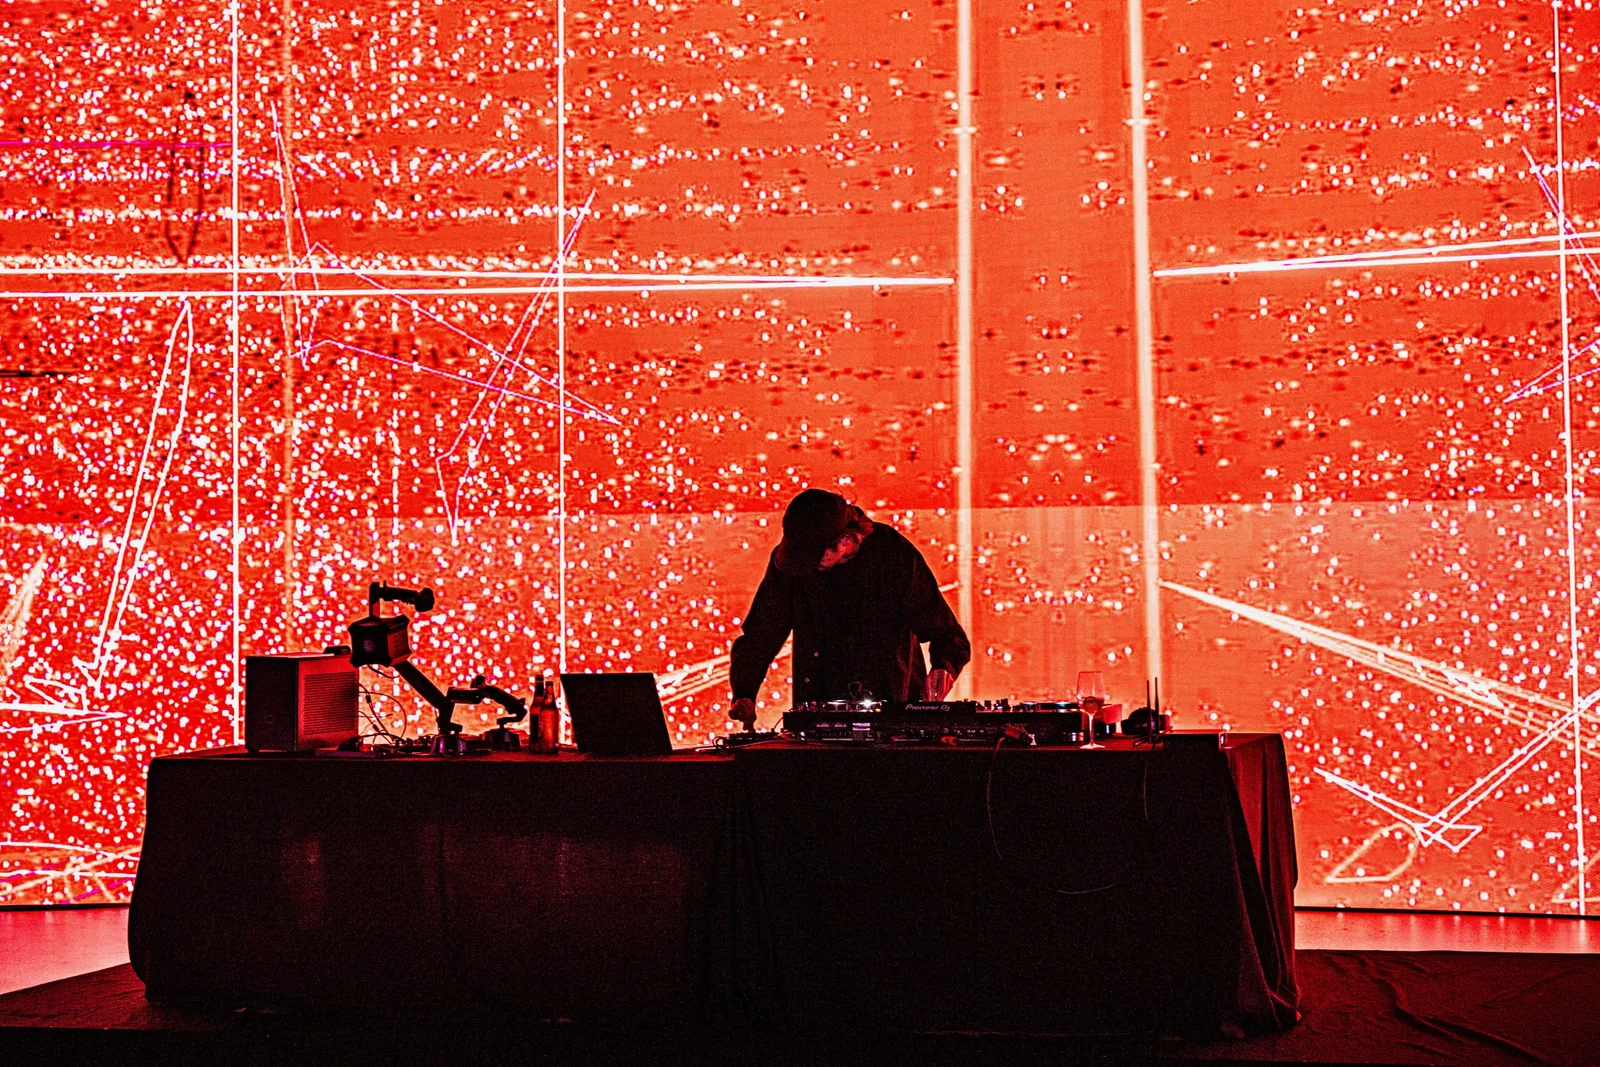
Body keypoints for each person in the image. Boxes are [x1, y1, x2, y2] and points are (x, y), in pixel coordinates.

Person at [728, 488, 971, 728]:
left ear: (845, 540)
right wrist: (744, 692)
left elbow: (945, 632)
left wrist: (944, 667)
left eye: (813, 557)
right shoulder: (790, 564)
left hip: (893, 711)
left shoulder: (892, 553)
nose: (806, 568)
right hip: (818, 713)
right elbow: (762, 633)